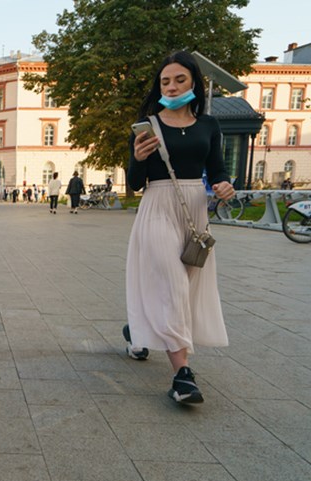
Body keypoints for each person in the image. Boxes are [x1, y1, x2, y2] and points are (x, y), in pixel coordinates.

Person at [125, 50, 235, 404]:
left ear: (194, 83)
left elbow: (216, 168)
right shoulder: (148, 125)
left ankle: (136, 331)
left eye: (179, 79)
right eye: (165, 81)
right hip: (157, 206)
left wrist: (223, 184)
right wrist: (138, 159)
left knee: (185, 287)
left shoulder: (209, 126)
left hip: (195, 210)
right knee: (172, 285)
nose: (171, 87)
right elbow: (134, 184)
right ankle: (182, 375)